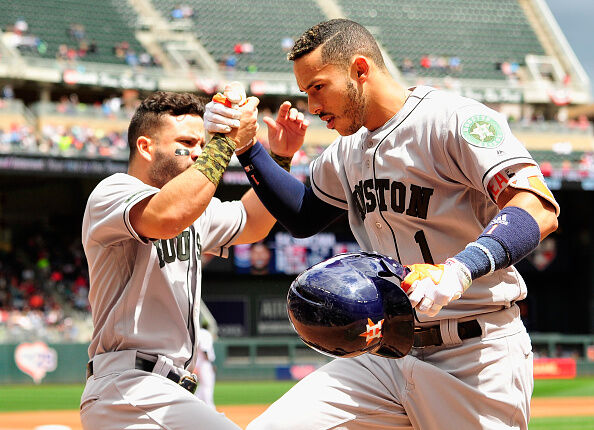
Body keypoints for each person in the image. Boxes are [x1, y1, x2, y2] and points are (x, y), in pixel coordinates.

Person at [205, 19, 559, 430]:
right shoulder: (346, 152)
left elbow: (537, 207)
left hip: (474, 354)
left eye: (318, 87)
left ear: (360, 69)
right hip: (385, 353)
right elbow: (302, 215)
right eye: (305, 92)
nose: (312, 105)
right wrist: (248, 148)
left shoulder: (452, 121)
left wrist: (459, 269)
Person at [79, 89, 277, 430]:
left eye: (203, 143)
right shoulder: (112, 191)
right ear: (145, 147)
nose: (199, 153)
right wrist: (226, 140)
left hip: (169, 389)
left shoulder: (193, 211)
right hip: (128, 385)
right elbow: (166, 215)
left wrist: (280, 157)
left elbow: (252, 221)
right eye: (187, 142)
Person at [194, 323, 217, 408]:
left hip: (199, 363)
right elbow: (205, 349)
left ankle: (195, 405)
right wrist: (210, 363)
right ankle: (210, 407)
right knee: (208, 386)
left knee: (202, 386)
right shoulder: (205, 333)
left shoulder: (198, 332)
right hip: (204, 363)